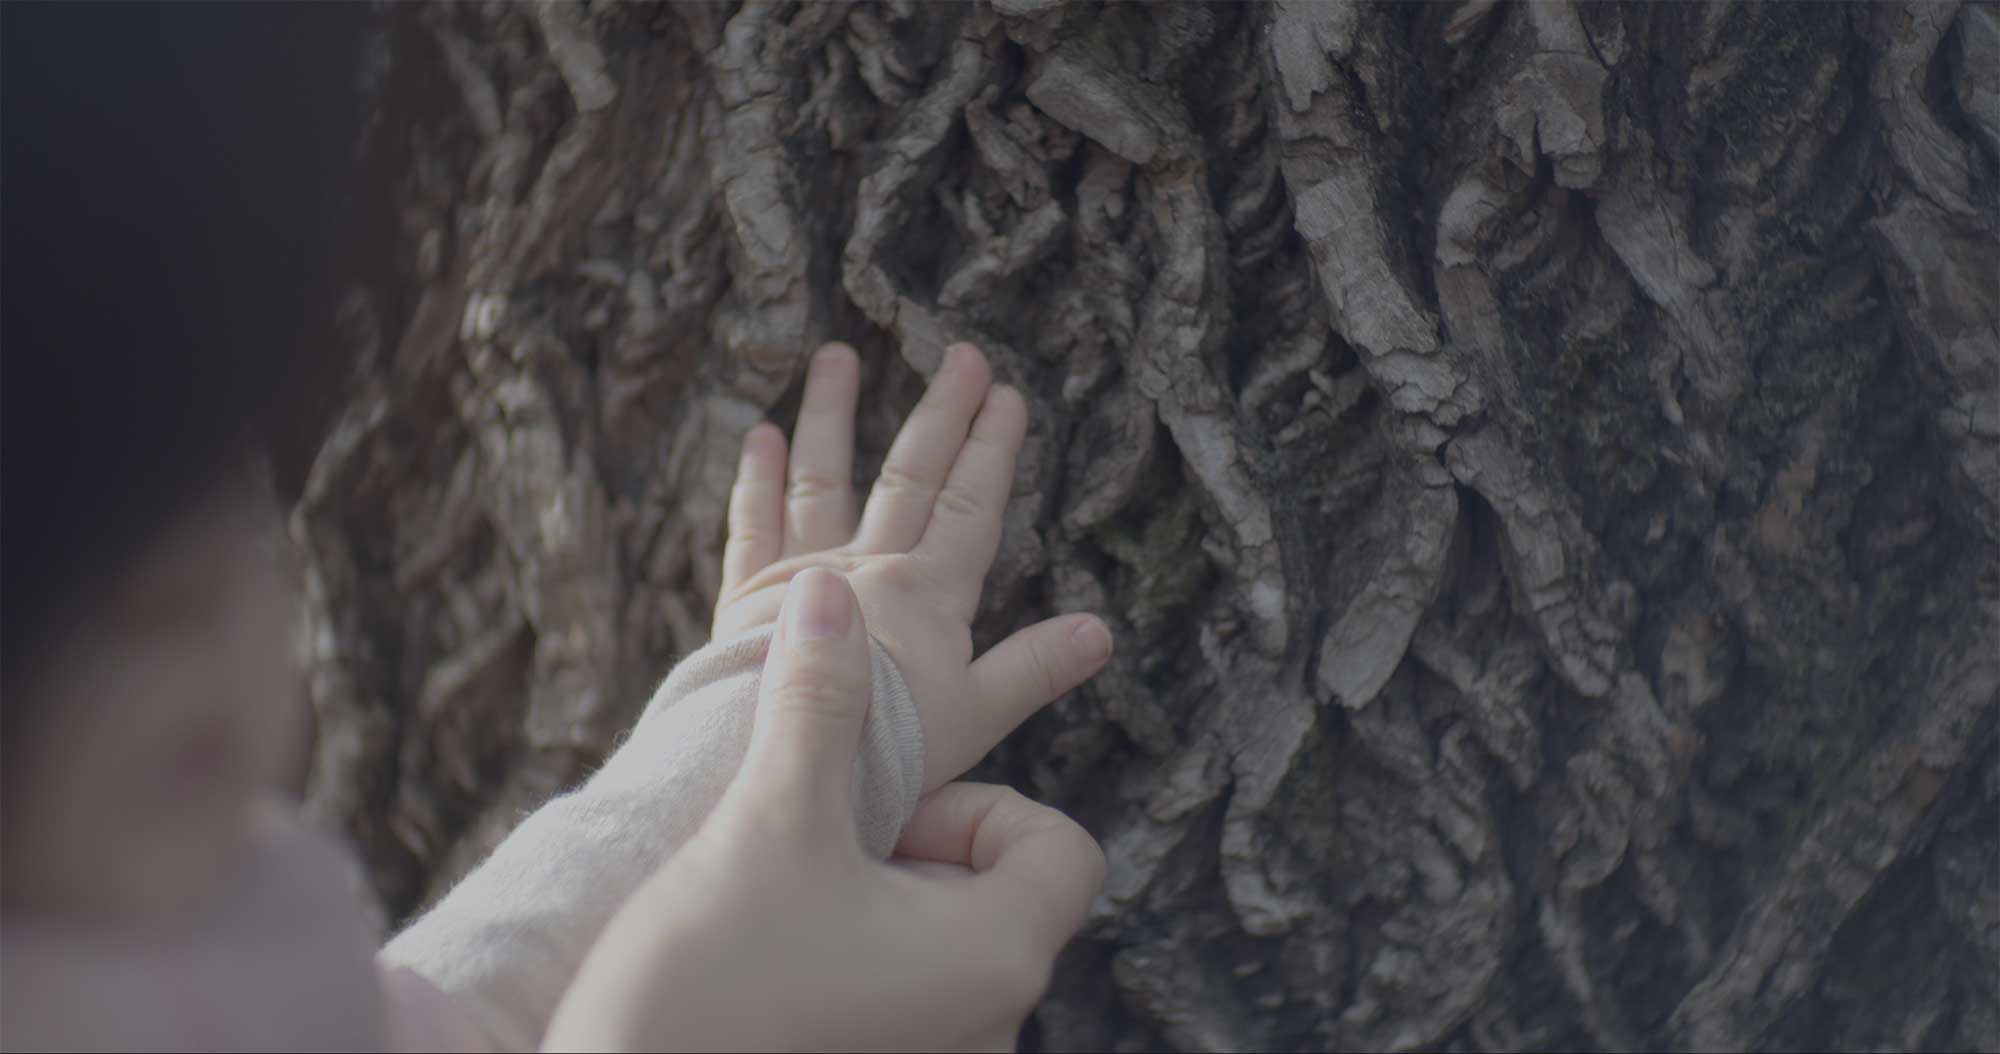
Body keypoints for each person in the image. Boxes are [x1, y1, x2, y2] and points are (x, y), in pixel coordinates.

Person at [0, 5, 1111, 1051]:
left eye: (199, 471)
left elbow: (435, 1015)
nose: (177, 598)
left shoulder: (171, 925)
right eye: (50, 529)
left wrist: (766, 732)